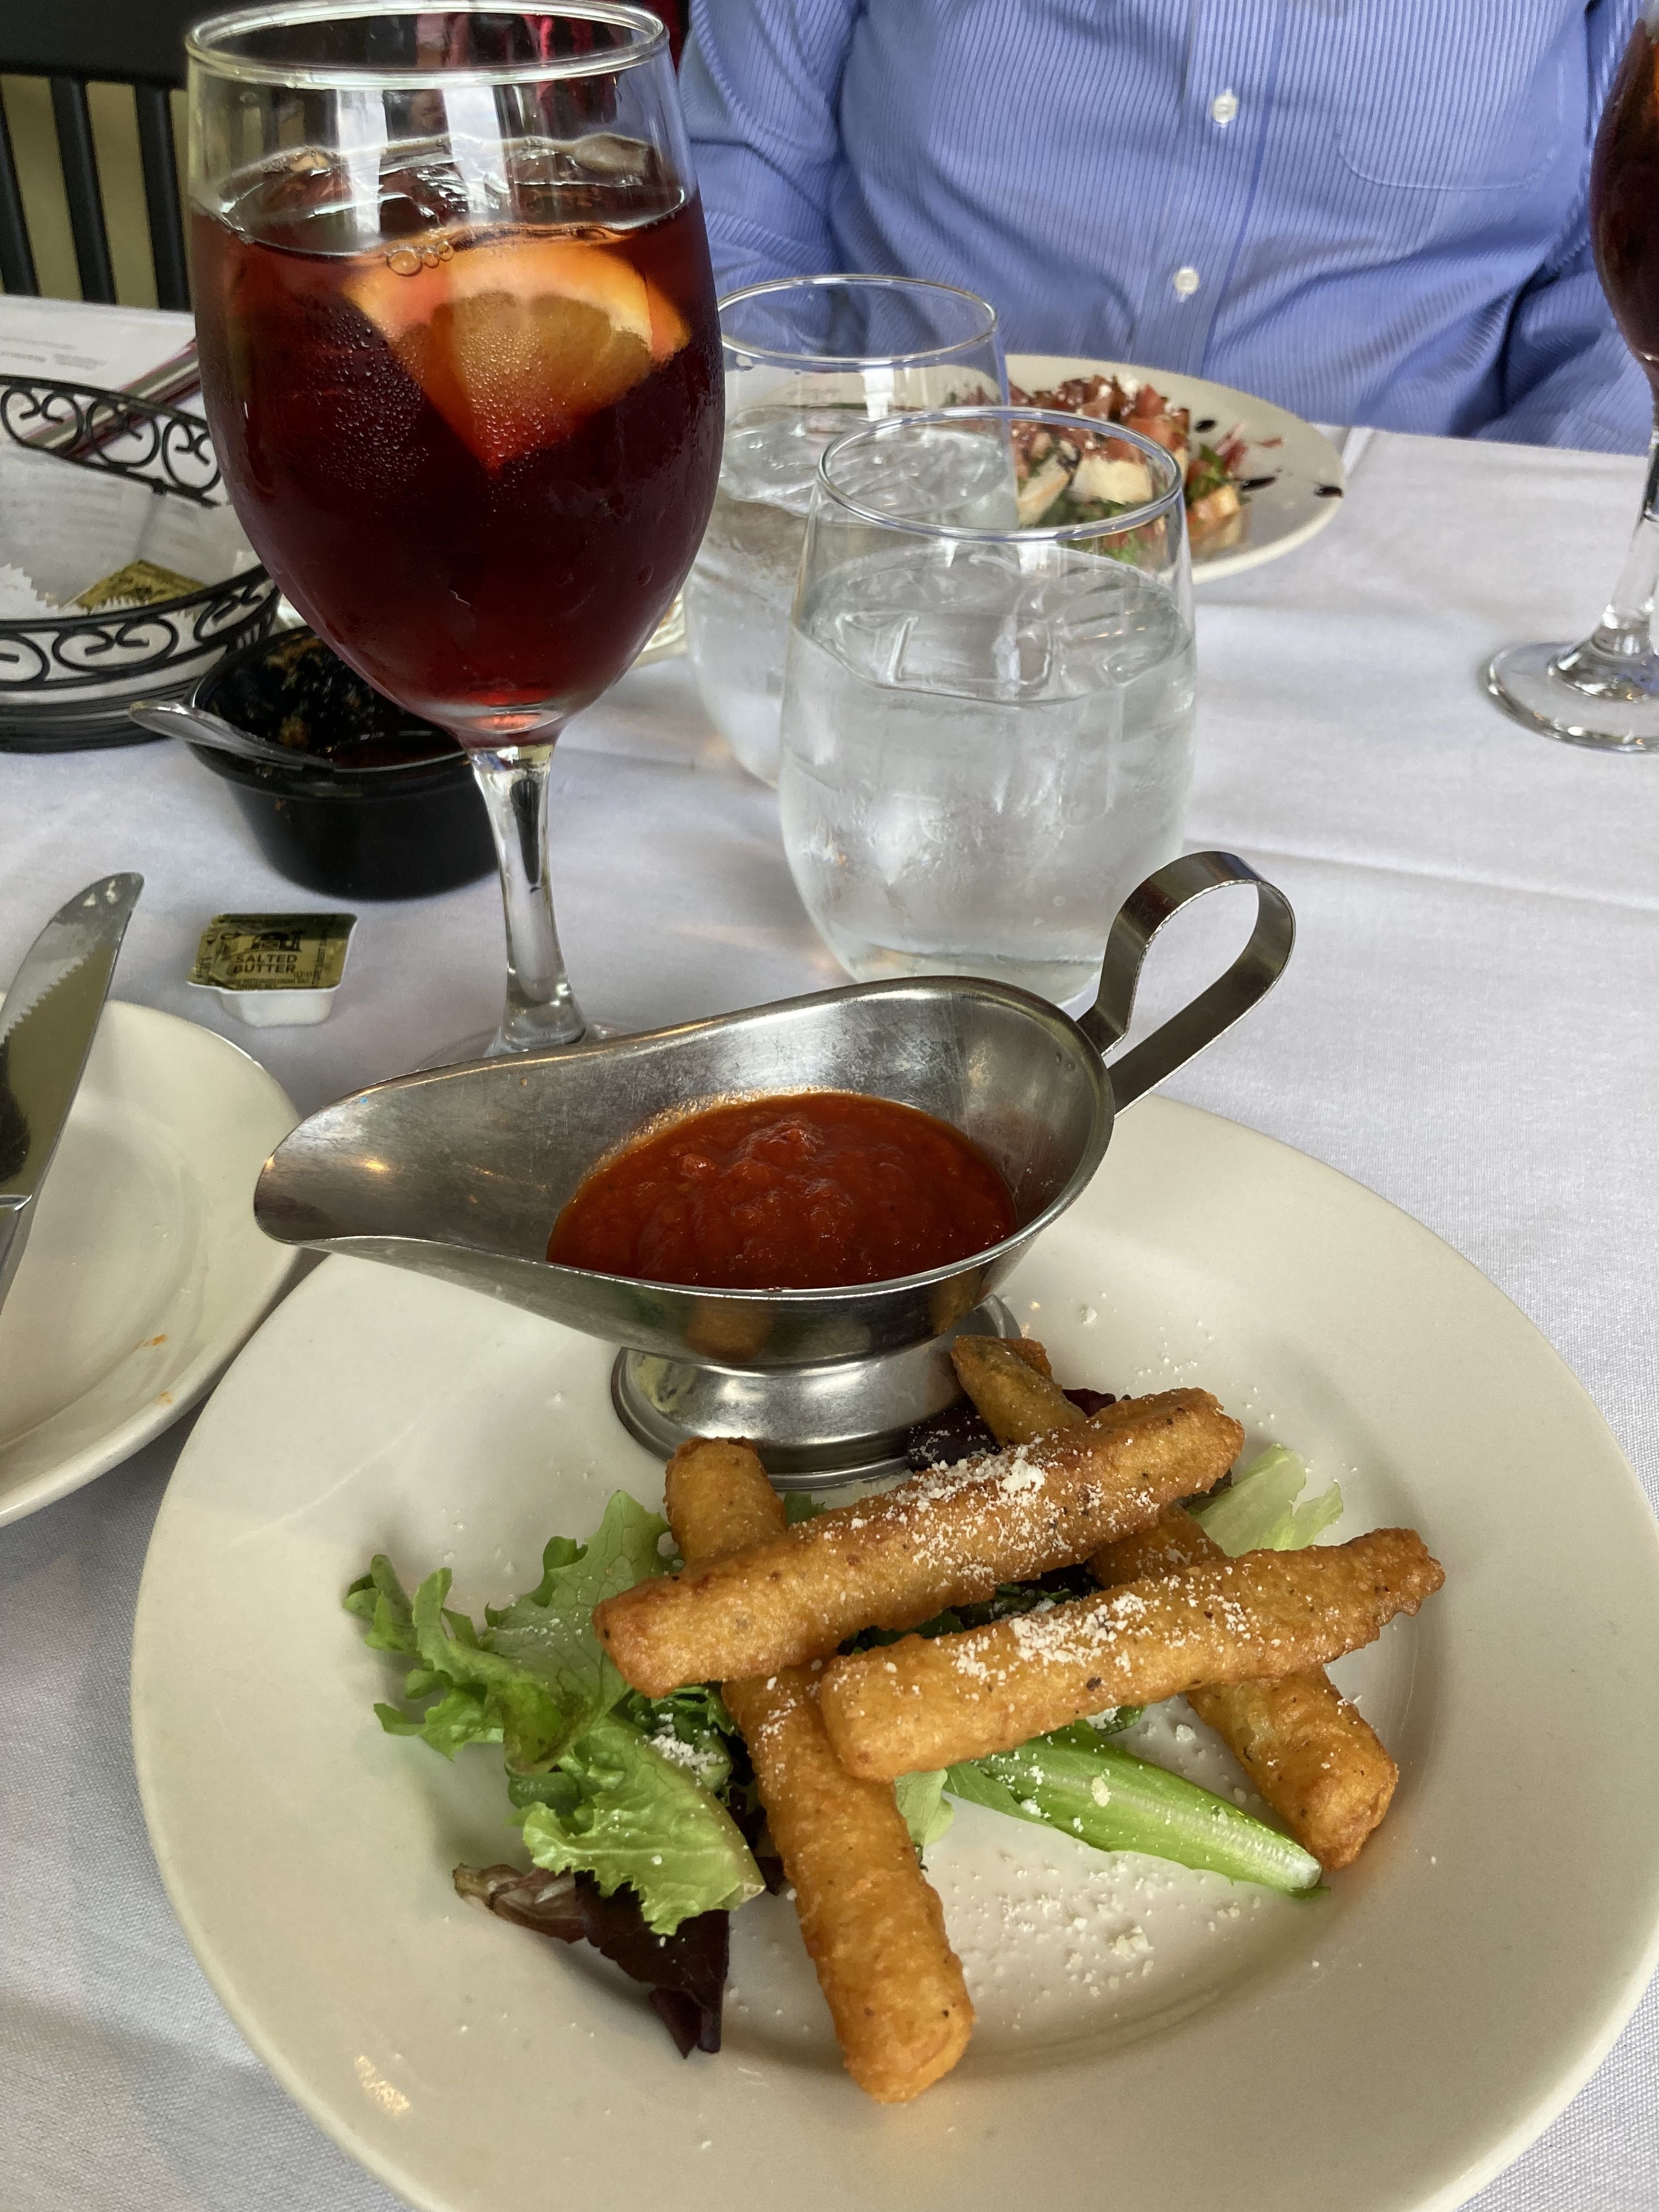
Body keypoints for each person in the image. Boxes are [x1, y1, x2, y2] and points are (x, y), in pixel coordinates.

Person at [681, 0, 1650, 452]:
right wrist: (799, 477)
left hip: (1410, 587)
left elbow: (1614, 287)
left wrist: (1520, 549)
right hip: (898, 523)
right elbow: (743, 193)